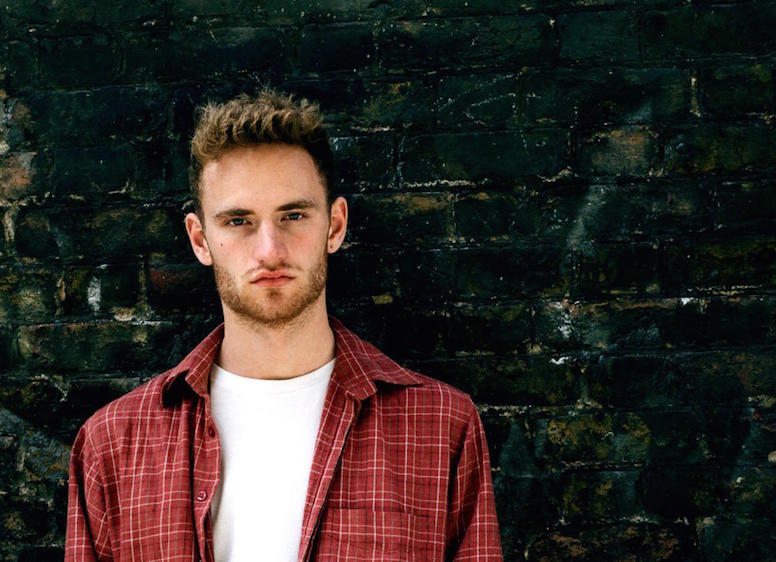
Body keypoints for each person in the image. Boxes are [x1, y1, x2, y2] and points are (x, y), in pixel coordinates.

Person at [65, 90, 502, 562]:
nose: (269, 250)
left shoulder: (441, 428)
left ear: (335, 226)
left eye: (293, 215)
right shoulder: (113, 445)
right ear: (200, 239)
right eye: (238, 221)